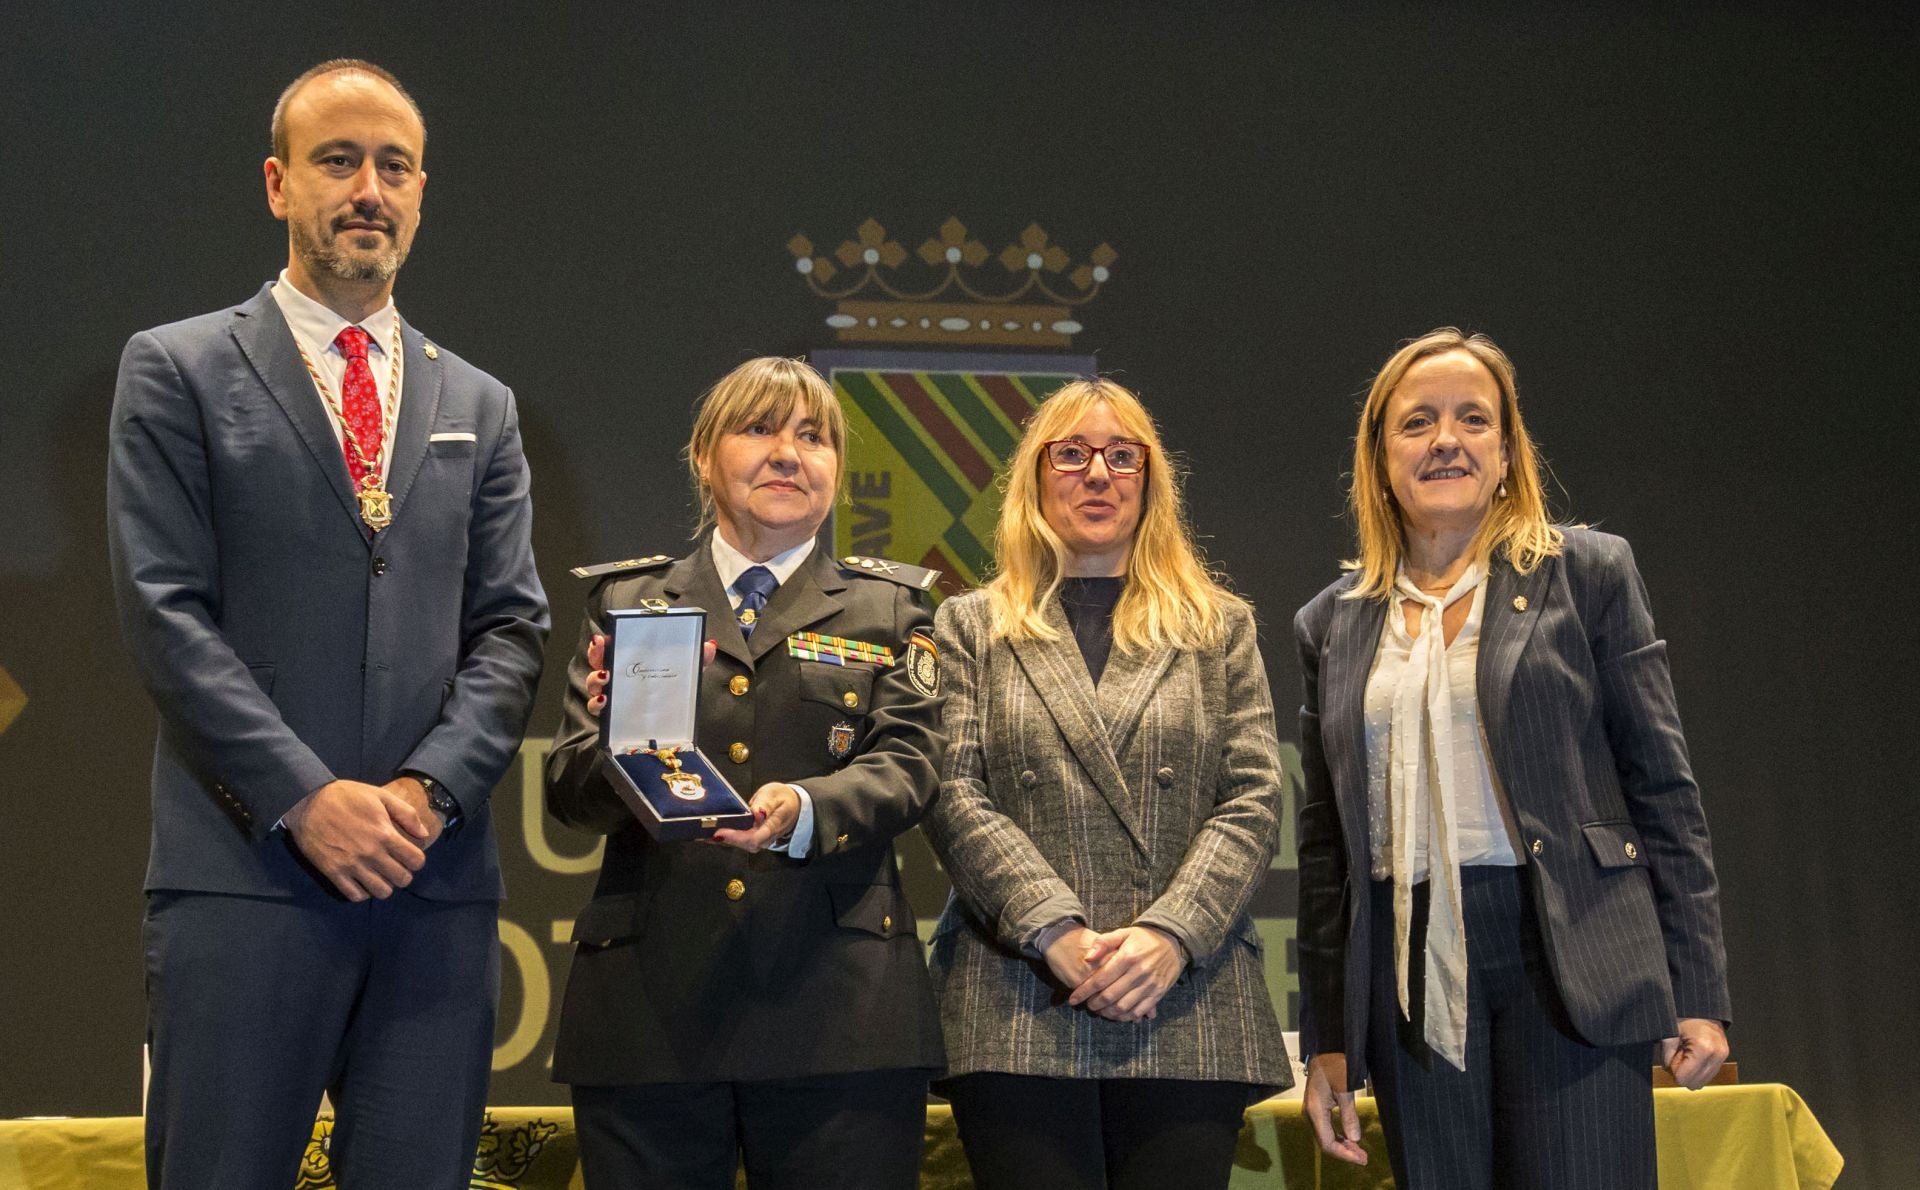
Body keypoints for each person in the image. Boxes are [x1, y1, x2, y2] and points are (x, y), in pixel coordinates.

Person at [106, 60, 549, 1190]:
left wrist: (422, 795)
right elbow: (165, 611)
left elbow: (510, 631)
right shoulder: (177, 368)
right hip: (244, 877)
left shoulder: (481, 404)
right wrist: (306, 797)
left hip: (429, 888)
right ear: (276, 182)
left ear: (420, 190)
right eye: (337, 160)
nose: (368, 188)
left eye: (392, 166)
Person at [1294, 328, 1731, 1188]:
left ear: (1506, 451)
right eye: (1417, 423)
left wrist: (1697, 990)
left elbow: (1664, 793)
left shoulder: (1589, 573)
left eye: (1473, 420)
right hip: (1410, 966)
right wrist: (1330, 1041)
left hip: (1570, 949)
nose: (1446, 440)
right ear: (1381, 459)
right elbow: (1325, 856)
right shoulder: (1332, 622)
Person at [544, 356, 947, 1190]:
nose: (788, 453)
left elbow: (911, 764)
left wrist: (804, 805)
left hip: (839, 1017)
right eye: (758, 429)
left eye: (813, 436)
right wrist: (627, 743)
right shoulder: (630, 604)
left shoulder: (894, 608)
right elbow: (569, 792)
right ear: (703, 457)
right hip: (650, 1014)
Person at [921, 378, 1291, 1190]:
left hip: (1184, 997)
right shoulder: (968, 625)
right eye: (1074, 453)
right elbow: (953, 792)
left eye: (1124, 456)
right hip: (1017, 994)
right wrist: (1053, 929)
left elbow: (1255, 797)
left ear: (1152, 482)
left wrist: (1170, 935)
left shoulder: (1218, 625)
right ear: (1036, 476)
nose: (1099, 474)